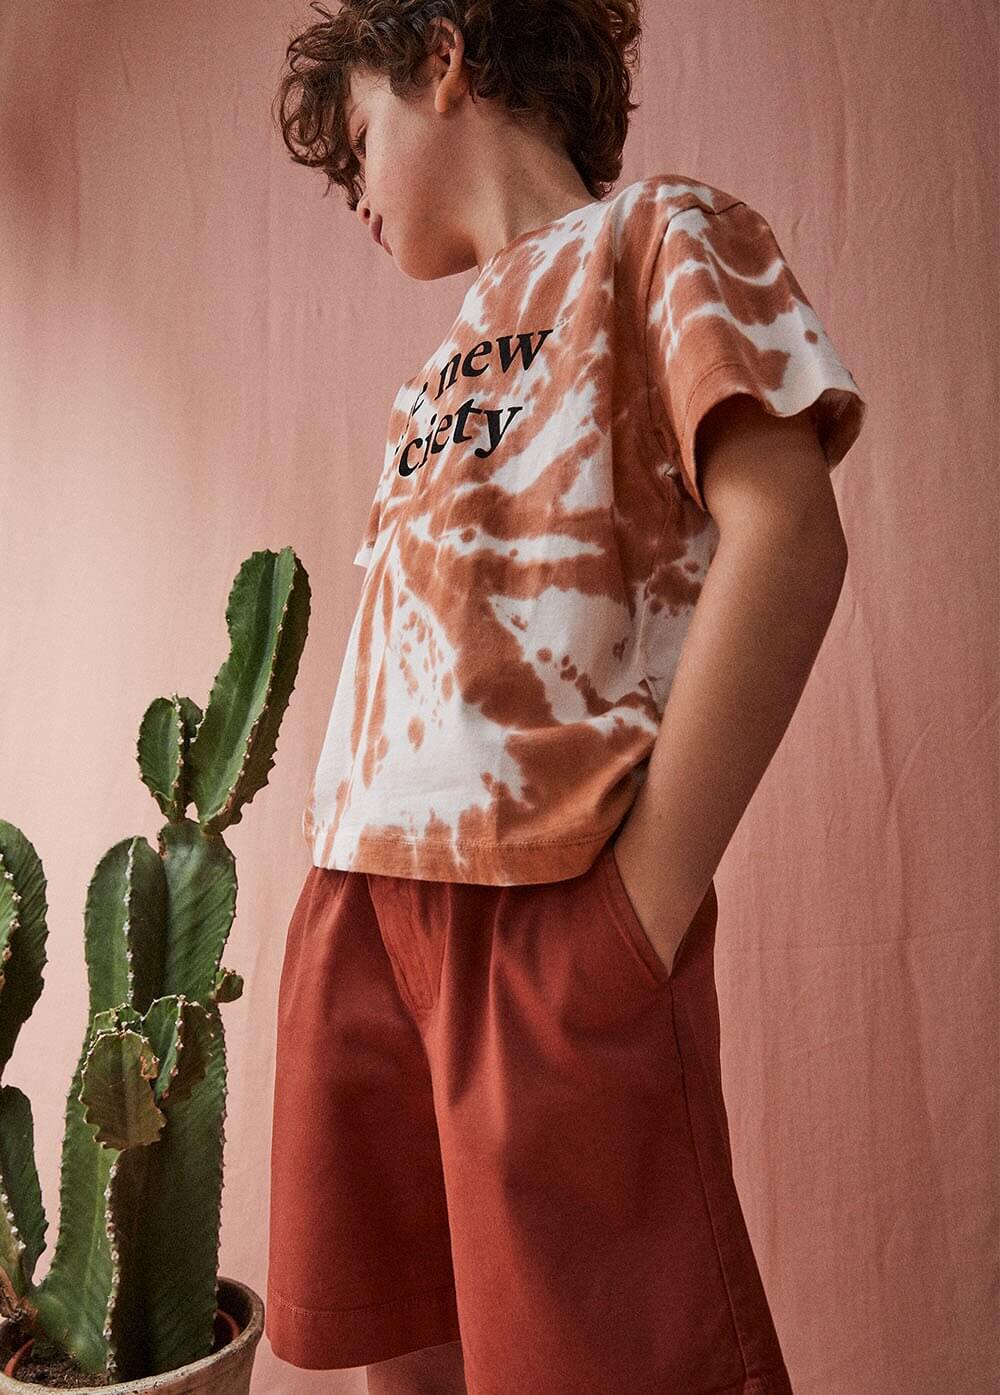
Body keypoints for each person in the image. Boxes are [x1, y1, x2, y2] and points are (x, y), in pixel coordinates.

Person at [266, 3, 868, 1393]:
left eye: (358, 141)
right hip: (358, 901)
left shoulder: (660, 235)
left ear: (442, 55)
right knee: (405, 1350)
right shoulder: (435, 371)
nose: (356, 194)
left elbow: (789, 530)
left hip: (541, 908)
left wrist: (641, 905)